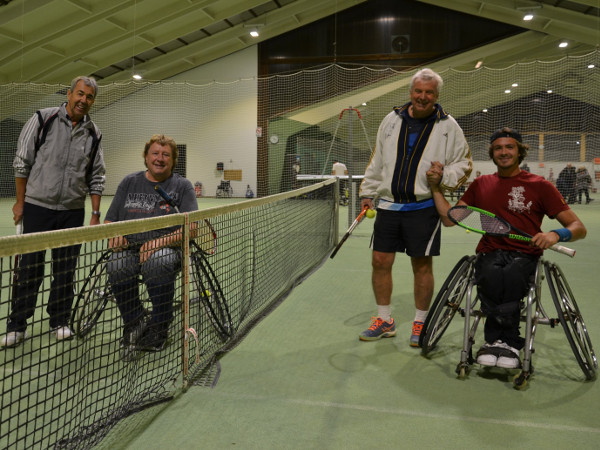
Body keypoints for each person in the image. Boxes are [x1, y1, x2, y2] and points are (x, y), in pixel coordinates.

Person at [427, 127, 586, 369]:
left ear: (520, 151)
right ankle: (496, 341)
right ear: (492, 153)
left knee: (512, 274)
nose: (504, 152)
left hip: (525, 255)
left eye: (509, 147)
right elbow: (450, 219)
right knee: (491, 273)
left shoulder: (540, 185)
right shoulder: (481, 184)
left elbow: (578, 227)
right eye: (498, 148)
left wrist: (555, 234)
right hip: (490, 252)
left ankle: (507, 342)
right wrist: (435, 187)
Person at [358, 68, 472, 346]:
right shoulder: (391, 120)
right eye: (418, 91)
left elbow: (465, 164)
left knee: (421, 265)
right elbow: (378, 159)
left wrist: (443, 176)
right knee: (379, 261)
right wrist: (368, 191)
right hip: (388, 206)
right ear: (410, 92)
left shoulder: (449, 126)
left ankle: (421, 323)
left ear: (437, 95)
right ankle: (384, 320)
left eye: (429, 92)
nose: (423, 97)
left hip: (423, 208)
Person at [2, 76, 105, 348]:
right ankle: (17, 326)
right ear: (69, 94)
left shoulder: (94, 133)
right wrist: (20, 202)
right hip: (38, 208)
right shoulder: (42, 119)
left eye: (89, 97)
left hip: (72, 212)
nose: (83, 100)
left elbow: (96, 175)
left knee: (65, 271)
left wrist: (95, 213)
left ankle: (60, 321)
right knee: (29, 270)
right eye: (80, 94)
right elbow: (22, 162)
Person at [104, 134, 198, 358]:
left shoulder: (182, 186)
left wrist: (157, 243)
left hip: (168, 249)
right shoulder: (129, 182)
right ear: (146, 157)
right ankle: (134, 321)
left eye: (166, 155)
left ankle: (159, 324)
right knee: (116, 264)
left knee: (158, 262)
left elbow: (192, 228)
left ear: (173, 161)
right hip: (129, 249)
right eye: (155, 153)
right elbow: (109, 221)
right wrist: (114, 235)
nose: (160, 158)